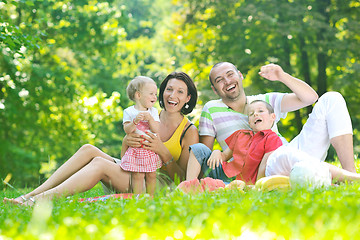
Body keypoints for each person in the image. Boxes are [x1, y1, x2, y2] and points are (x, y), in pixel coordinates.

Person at [3, 71, 199, 206]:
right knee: (89, 149)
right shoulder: (148, 114)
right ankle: (30, 195)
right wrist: (126, 141)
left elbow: (182, 179)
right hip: (135, 168)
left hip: (157, 184)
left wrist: (162, 150)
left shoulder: (188, 131)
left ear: (188, 98)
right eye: (169, 89)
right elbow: (127, 149)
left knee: (100, 164)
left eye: (180, 92)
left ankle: (39, 201)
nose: (172, 95)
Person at [186, 62, 356, 182]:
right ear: (215, 90)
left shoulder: (264, 100)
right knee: (283, 155)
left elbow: (310, 98)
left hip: (290, 153)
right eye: (220, 80)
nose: (227, 81)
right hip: (266, 169)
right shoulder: (211, 109)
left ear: (240, 76)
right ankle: (335, 175)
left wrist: (282, 76)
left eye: (230, 74)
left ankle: (349, 173)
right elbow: (206, 155)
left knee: (332, 98)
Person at [205, 100, 283, 184]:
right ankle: (190, 182)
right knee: (199, 149)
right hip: (225, 173)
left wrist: (257, 186)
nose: (255, 114)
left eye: (260, 111)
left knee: (211, 184)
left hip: (246, 183)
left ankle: (206, 184)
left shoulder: (273, 139)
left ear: (273, 117)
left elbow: (265, 165)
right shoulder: (240, 134)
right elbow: (224, 156)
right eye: (251, 114)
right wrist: (216, 152)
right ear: (249, 122)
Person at [120, 76, 162, 195]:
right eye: (151, 93)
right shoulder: (129, 112)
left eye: (155, 94)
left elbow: (156, 129)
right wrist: (135, 121)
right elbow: (127, 130)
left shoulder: (152, 111)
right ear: (138, 95)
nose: (155, 97)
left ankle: (151, 197)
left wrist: (150, 119)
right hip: (136, 149)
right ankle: (138, 197)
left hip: (149, 149)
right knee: (137, 175)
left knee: (152, 175)